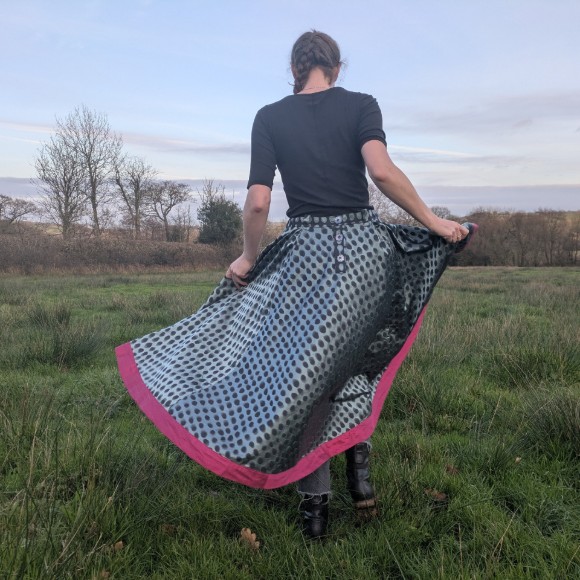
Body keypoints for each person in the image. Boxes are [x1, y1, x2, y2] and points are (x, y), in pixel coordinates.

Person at [116, 30, 475, 540]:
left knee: (306, 379)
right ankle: (361, 477)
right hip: (366, 256)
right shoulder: (361, 104)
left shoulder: (270, 117)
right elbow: (381, 172)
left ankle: (315, 514)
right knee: (358, 359)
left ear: (294, 69)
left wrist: (248, 256)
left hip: (306, 259)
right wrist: (433, 222)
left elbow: (259, 202)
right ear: (336, 66)